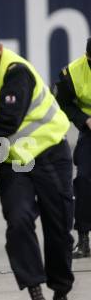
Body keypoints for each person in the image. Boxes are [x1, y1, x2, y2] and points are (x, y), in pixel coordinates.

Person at [0, 25, 74, 300]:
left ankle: (60, 293)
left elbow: (7, 123)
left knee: (58, 227)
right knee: (18, 221)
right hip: (13, 161)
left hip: (49, 153)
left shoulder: (16, 73)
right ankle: (36, 296)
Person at [53, 37, 91, 259]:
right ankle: (84, 237)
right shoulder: (72, 74)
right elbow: (63, 104)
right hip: (90, 129)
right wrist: (84, 119)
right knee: (84, 179)